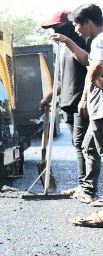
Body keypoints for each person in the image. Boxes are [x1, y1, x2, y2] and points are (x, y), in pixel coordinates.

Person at [38, 10, 95, 195]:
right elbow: (64, 79)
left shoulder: (82, 41)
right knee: (77, 144)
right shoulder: (63, 49)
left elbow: (89, 64)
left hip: (82, 101)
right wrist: (51, 96)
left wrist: (67, 41)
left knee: (83, 145)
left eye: (57, 26)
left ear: (71, 25)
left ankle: (87, 188)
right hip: (68, 102)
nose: (54, 30)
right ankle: (83, 185)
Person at [74, 4, 103, 205]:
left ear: (88, 22)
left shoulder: (99, 40)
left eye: (77, 25)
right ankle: (87, 190)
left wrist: (93, 79)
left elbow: (96, 65)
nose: (77, 30)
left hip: (101, 110)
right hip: (97, 108)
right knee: (88, 147)